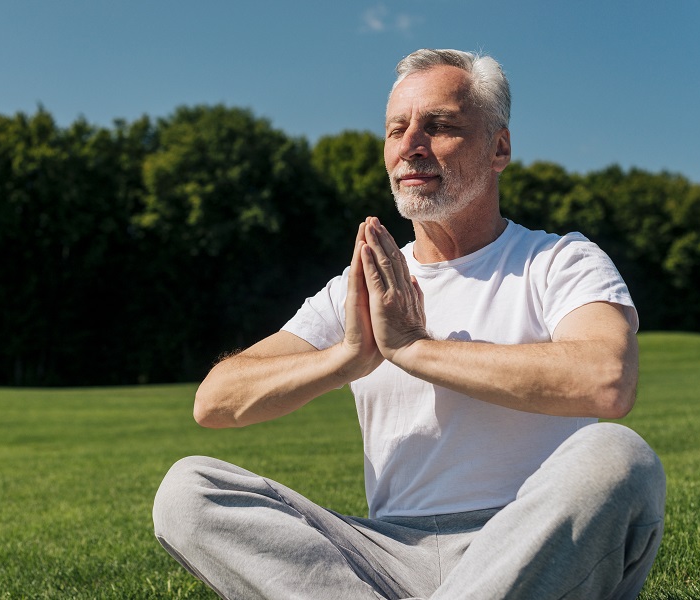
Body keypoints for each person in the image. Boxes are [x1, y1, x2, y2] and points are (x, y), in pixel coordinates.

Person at [152, 49, 666, 599]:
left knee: (618, 456)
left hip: (533, 543)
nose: (411, 146)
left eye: (440, 126)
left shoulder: (560, 261)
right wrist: (347, 357)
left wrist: (415, 348)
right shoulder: (364, 285)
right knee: (188, 491)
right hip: (389, 557)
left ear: (500, 147)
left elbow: (606, 379)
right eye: (397, 129)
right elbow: (216, 402)